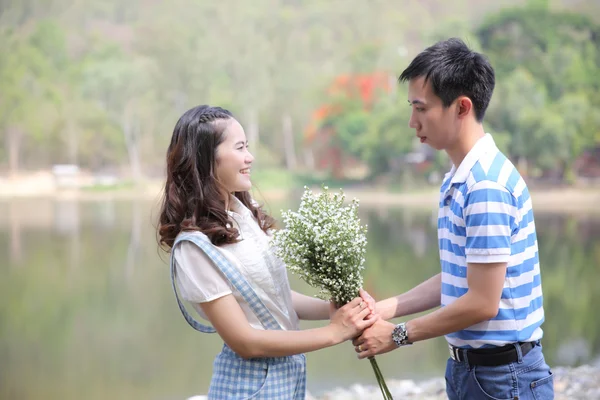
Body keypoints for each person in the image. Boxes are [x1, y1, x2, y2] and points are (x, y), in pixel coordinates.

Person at [352, 38, 554, 399]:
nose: (412, 122)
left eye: (421, 108)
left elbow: (481, 302)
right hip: (472, 371)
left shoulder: (485, 185)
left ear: (461, 107)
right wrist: (381, 309)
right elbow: (460, 275)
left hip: (504, 379)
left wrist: (398, 335)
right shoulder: (459, 178)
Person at [157, 105, 377, 399]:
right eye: (239, 148)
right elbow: (245, 342)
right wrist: (335, 332)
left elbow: (276, 297)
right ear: (206, 159)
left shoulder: (245, 216)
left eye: (247, 146)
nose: (250, 157)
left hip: (286, 381)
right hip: (248, 388)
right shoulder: (194, 247)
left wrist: (336, 307)